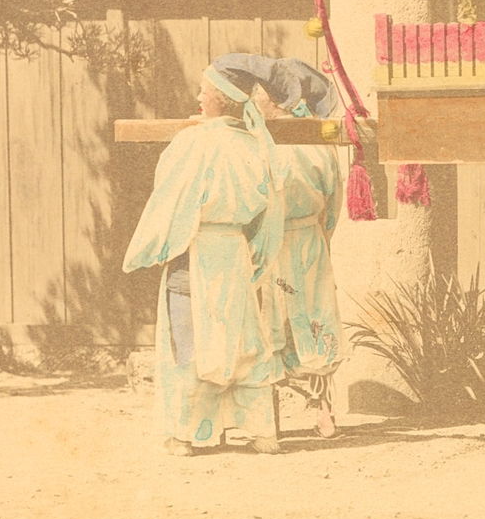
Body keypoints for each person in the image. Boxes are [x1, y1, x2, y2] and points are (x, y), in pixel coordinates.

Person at [123, 61, 284, 456]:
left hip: (194, 250)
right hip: (235, 250)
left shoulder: (192, 144)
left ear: (219, 99)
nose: (198, 97)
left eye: (203, 90)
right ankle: (261, 431)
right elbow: (269, 210)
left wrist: (152, 248)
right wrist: (254, 250)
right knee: (241, 337)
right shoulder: (256, 145)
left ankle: (184, 434)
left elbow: (171, 201)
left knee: (190, 339)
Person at [212, 53, 347, 440]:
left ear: (273, 99)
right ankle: (323, 413)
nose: (256, 102)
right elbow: (332, 205)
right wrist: (322, 238)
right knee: (303, 318)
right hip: (306, 241)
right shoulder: (317, 142)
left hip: (281, 240)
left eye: (260, 96)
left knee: (279, 321)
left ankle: (288, 414)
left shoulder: (265, 143)